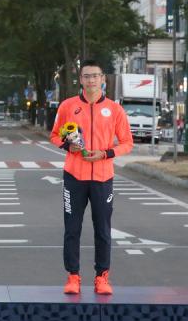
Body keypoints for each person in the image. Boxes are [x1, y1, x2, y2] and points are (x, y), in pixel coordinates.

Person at [51, 59, 133, 296]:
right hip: (74, 176)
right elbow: (55, 135)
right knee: (72, 229)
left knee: (103, 230)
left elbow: (127, 142)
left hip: (103, 177)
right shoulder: (68, 106)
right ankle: (73, 277)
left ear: (103, 79)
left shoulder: (115, 110)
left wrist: (106, 153)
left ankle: (102, 277)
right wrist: (69, 148)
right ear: (81, 80)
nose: (91, 80)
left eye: (95, 76)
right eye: (86, 76)